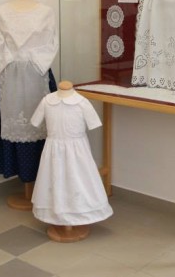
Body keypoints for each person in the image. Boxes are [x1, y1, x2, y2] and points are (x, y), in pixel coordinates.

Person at [0, 0, 59, 210]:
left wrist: (33, 62)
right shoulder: (1, 11)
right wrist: (12, 63)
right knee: (14, 123)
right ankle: (22, 177)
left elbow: (52, 42)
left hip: (38, 74)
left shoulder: (46, 12)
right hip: (10, 76)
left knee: (42, 124)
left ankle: (40, 180)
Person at [30, 80, 113, 242]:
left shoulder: (82, 103)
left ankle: (76, 214)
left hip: (77, 153)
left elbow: (94, 123)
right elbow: (35, 120)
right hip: (53, 151)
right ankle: (59, 214)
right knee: (54, 180)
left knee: (77, 181)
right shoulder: (47, 101)